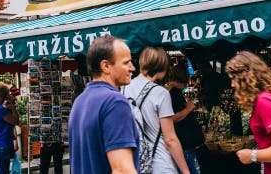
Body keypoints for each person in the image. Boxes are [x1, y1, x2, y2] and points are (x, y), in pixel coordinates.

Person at [69, 36, 139, 174]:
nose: (133, 68)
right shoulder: (115, 102)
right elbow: (122, 170)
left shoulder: (79, 102)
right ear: (105, 66)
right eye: (126, 63)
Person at [124, 47, 190, 174]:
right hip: (160, 163)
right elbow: (170, 139)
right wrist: (186, 171)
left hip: (136, 163)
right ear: (162, 66)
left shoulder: (124, 89)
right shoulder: (161, 93)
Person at [225, 51, 271, 174]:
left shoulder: (264, 102)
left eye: (234, 79)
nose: (232, 85)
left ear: (246, 78)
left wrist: (252, 155)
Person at [167, 64, 203, 174]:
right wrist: (188, 108)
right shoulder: (173, 94)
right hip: (185, 146)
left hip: (185, 145)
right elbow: (172, 118)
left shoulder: (174, 93)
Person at [0, 83, 20, 174]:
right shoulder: (0, 110)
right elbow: (15, 121)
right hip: (2, 145)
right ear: (3, 96)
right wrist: (13, 105)